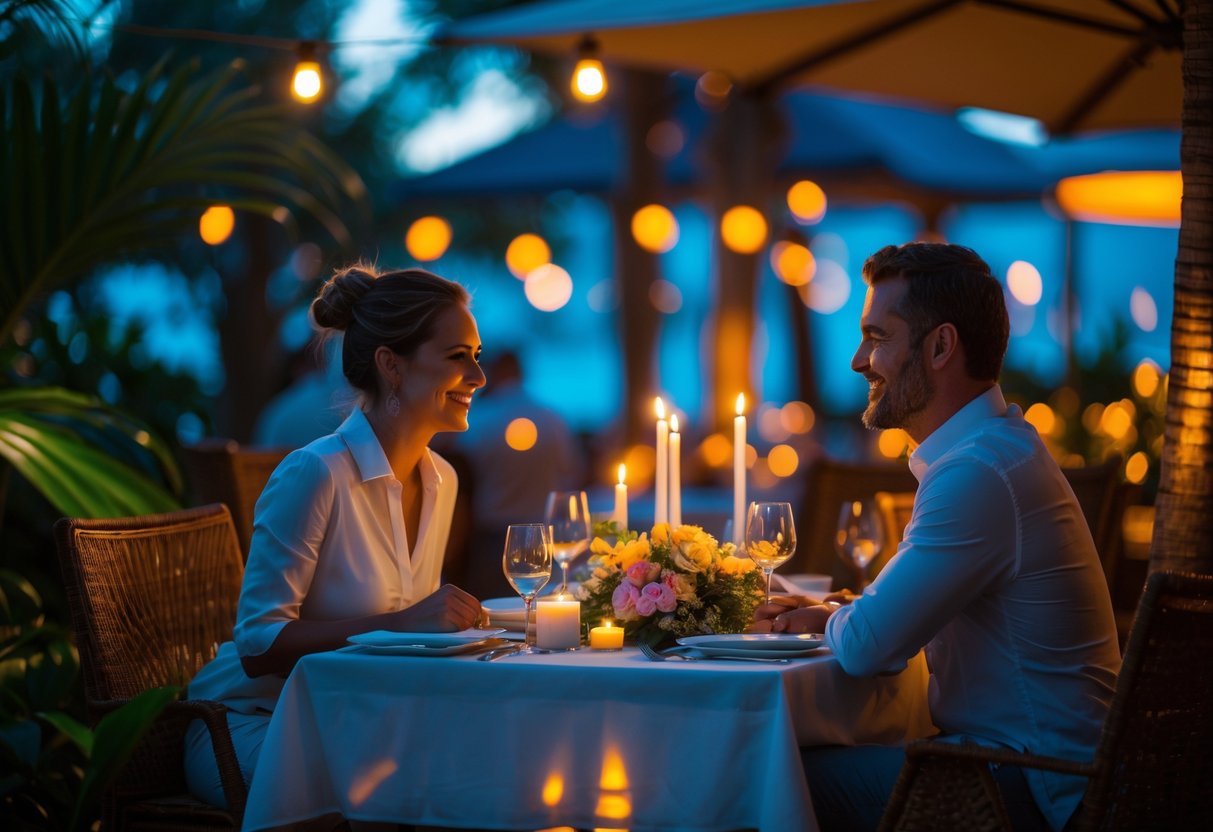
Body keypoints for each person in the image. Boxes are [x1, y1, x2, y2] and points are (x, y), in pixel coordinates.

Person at [753, 243, 1120, 831]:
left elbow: (870, 646)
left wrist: (834, 620)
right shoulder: (998, 450)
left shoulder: (977, 473)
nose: (857, 360)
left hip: (1026, 787)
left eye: (877, 336)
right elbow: (888, 620)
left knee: (761, 780)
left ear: (941, 346)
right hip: (1043, 771)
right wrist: (837, 613)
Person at [184, 264, 486, 807]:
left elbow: (413, 643)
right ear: (392, 365)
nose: (478, 377)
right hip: (259, 727)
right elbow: (258, 645)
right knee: (420, 785)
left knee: (492, 763)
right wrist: (400, 624)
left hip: (365, 723)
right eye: (457, 357)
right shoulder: (316, 473)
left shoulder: (442, 480)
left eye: (476, 356)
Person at [438, 349, 584, 599]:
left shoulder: (478, 419)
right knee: (533, 609)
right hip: (542, 537)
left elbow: (445, 459)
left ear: (495, 372)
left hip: (492, 539)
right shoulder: (553, 419)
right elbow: (575, 473)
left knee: (489, 611)